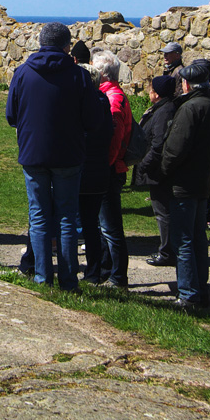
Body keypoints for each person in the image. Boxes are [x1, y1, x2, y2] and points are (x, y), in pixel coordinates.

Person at [6, 23, 105, 290]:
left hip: (33, 153)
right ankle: (69, 280)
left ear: (40, 43)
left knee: (38, 216)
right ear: (67, 46)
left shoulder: (23, 73)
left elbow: (11, 115)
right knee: (66, 217)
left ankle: (42, 277)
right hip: (69, 154)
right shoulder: (79, 76)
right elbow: (92, 120)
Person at [161, 59, 210, 309]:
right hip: (203, 177)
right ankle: (201, 288)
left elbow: (176, 148)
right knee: (197, 237)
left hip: (184, 181)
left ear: (186, 84)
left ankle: (188, 293)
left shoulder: (190, 108)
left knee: (183, 238)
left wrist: (164, 170)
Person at [91, 47, 133, 288]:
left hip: (110, 169)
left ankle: (119, 276)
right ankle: (107, 269)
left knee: (111, 228)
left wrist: (103, 165)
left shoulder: (112, 98)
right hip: (110, 167)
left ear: (103, 74)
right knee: (104, 226)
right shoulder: (110, 94)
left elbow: (115, 138)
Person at [78, 62, 116, 284]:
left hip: (80, 170)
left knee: (67, 220)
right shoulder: (104, 104)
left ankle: (69, 267)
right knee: (92, 225)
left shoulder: (81, 103)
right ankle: (93, 271)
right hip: (100, 170)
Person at [139, 75, 179, 267]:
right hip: (157, 169)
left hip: (159, 170)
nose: (148, 92)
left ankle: (167, 251)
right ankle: (168, 249)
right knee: (163, 210)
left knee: (163, 212)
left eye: (150, 89)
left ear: (156, 92)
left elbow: (158, 145)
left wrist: (143, 166)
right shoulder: (162, 108)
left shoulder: (164, 112)